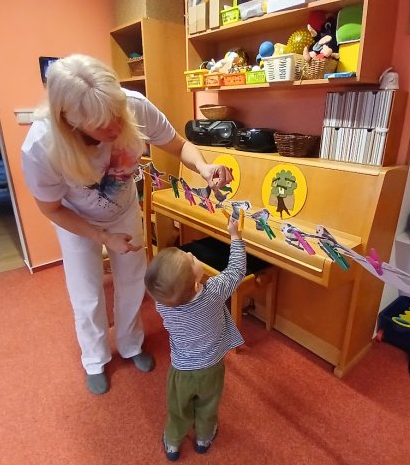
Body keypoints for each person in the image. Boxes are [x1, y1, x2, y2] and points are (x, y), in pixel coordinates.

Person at [20, 54, 232, 395]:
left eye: (118, 114)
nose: (117, 127)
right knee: (87, 292)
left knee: (133, 280)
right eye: (104, 124)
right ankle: (95, 358)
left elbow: (179, 145)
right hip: (76, 219)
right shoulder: (40, 147)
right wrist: (102, 236)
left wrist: (204, 168)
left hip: (123, 209)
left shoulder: (133, 106)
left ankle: (131, 344)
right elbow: (52, 208)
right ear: (71, 122)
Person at [144, 217, 245, 461]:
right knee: (208, 405)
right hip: (212, 368)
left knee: (178, 409)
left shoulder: (163, 305)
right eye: (191, 260)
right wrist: (235, 236)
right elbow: (236, 271)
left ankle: (172, 442)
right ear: (197, 283)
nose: (191, 254)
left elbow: (164, 288)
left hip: (181, 371)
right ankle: (203, 439)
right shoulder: (214, 293)